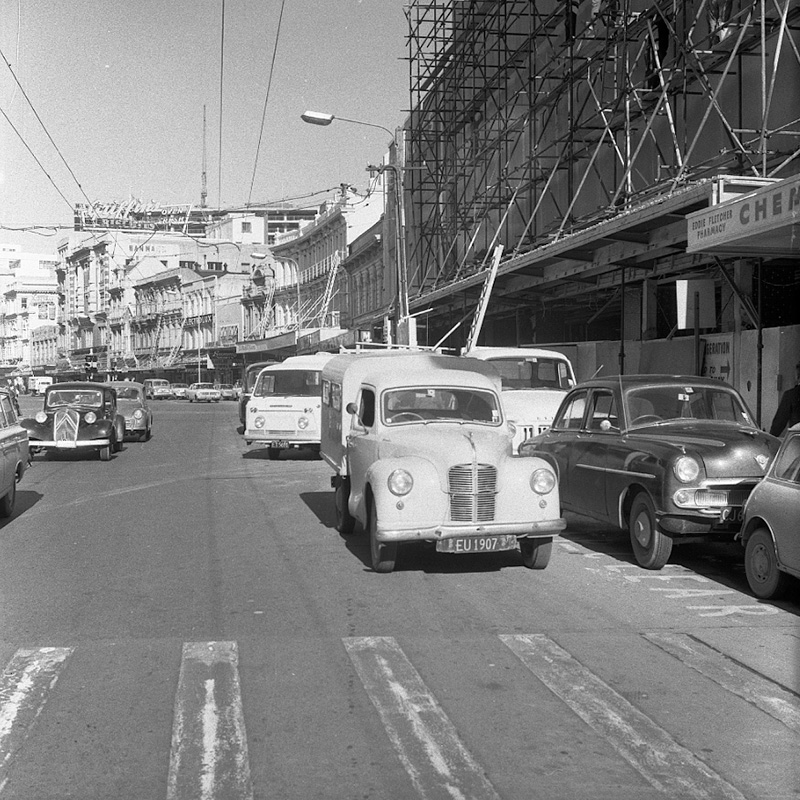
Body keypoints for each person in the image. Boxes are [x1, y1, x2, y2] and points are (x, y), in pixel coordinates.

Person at [770, 360, 800, 437]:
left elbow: (778, 424)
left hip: (797, 440)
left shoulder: (791, 395)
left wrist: (769, 440)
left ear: (797, 376)